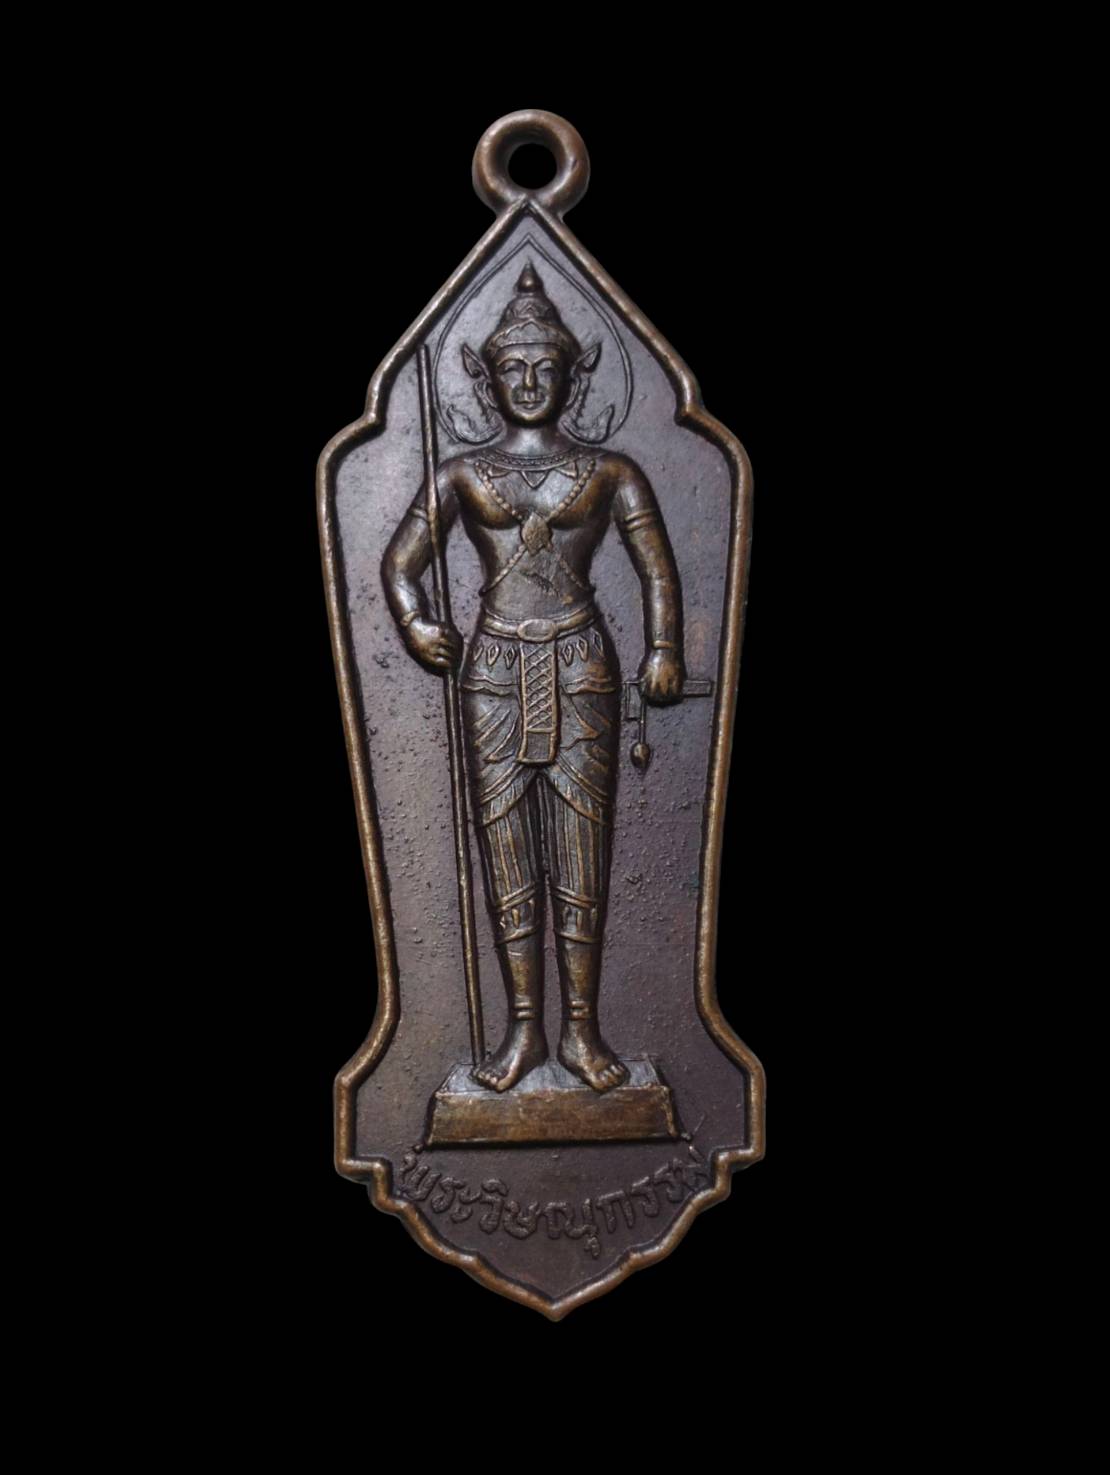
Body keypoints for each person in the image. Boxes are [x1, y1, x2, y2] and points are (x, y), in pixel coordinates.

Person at [381, 264, 684, 1094]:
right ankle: (523, 1031)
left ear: (570, 376)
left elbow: (657, 567)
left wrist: (664, 647)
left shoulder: (611, 471)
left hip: (581, 665)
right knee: (506, 845)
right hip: (494, 670)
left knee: (582, 848)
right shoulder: (462, 473)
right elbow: (401, 563)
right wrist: (415, 622)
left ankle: (581, 1032)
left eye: (544, 367)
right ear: (486, 380)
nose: (527, 382)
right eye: (511, 368)